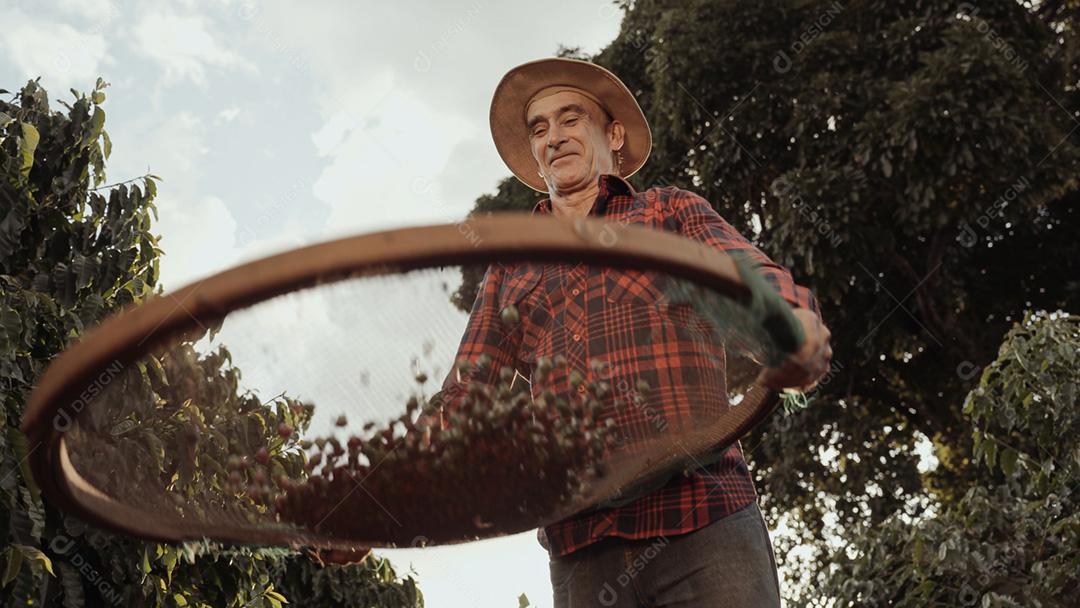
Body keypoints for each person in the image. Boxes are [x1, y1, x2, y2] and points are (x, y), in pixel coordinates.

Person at [444, 57, 832, 607]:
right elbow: (465, 395)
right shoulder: (511, 265)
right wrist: (382, 507)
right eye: (539, 128)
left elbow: (748, 278)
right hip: (581, 545)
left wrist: (791, 327)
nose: (554, 137)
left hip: (704, 516)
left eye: (570, 118)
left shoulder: (671, 212)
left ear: (613, 133)